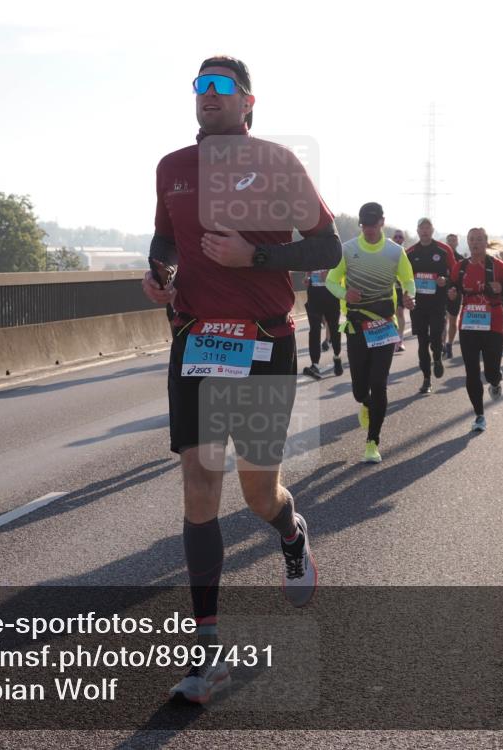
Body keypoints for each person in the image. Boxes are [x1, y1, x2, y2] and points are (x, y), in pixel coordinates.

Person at [141, 57, 341, 704]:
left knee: (259, 493)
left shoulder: (277, 162)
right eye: (200, 85)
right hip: (196, 338)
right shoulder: (172, 167)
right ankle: (208, 657)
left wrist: (256, 256)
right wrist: (159, 274)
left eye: (221, 86)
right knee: (199, 487)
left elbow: (325, 248)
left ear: (248, 101)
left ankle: (290, 532)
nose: (208, 95)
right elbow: (165, 241)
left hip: (264, 340)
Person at [326, 203, 415, 463]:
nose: (369, 229)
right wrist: (345, 293)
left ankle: (372, 442)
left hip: (384, 326)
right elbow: (331, 281)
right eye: (365, 225)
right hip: (356, 326)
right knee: (359, 390)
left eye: (373, 224)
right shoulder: (348, 249)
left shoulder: (394, 251)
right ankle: (365, 402)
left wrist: (411, 295)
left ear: (382, 223)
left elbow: (408, 280)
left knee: (379, 382)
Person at [447, 227, 503, 432]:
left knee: (490, 372)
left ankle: (495, 382)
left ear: (485, 242)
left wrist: (501, 288)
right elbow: (452, 289)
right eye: (471, 239)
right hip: (468, 324)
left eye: (479, 239)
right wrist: (451, 293)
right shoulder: (459, 267)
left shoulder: (498, 266)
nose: (475, 243)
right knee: (471, 371)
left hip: (493, 324)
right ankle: (479, 415)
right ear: (467, 243)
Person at [405, 218, 457, 394]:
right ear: (418, 231)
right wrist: (405, 296)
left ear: (432, 230)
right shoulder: (410, 252)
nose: (425, 231)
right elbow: (403, 277)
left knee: (435, 337)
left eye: (428, 228)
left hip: (437, 303)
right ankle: (426, 379)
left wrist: (447, 281)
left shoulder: (443, 250)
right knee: (421, 342)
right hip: (418, 305)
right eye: (422, 228)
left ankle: (437, 356)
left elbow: (455, 274)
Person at [303, 268, 342, 378]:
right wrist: (307, 276)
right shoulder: (310, 251)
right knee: (314, 329)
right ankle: (314, 364)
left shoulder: (332, 251)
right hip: (314, 293)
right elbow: (308, 265)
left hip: (330, 292)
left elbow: (340, 265)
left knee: (334, 327)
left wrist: (330, 273)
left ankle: (337, 357)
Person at [442, 232, 465, 359]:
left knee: (452, 320)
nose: (451, 242)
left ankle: (449, 344)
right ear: (446, 242)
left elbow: (463, 277)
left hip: (455, 293)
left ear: (457, 243)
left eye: (453, 240)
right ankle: (442, 345)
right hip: (441, 293)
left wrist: (457, 290)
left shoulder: (461, 259)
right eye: (449, 240)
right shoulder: (441, 256)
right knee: (442, 320)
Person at [390, 228, 408, 353]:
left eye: (400, 237)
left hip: (401, 289)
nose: (397, 239)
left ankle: (399, 340)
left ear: (403, 239)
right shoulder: (387, 252)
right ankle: (390, 339)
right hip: (388, 288)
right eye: (395, 237)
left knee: (400, 313)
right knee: (390, 314)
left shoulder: (406, 253)